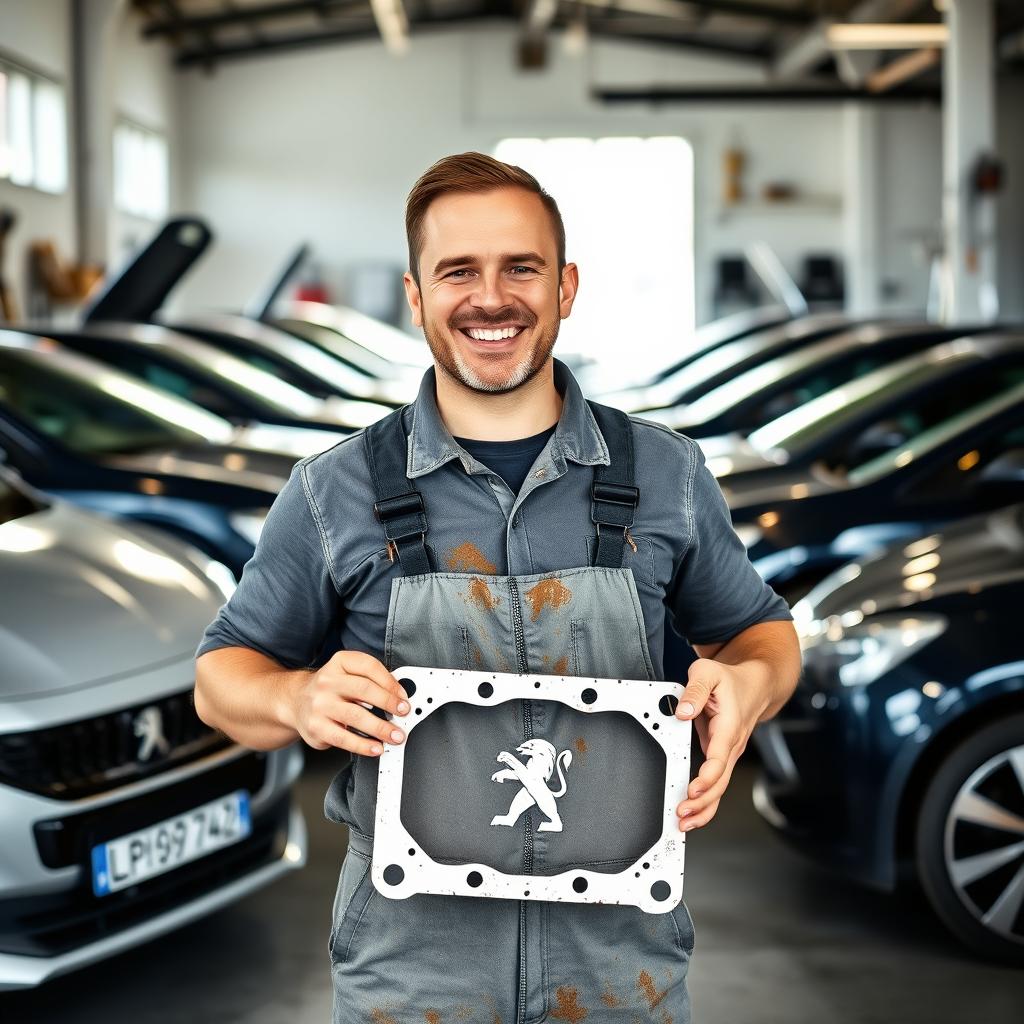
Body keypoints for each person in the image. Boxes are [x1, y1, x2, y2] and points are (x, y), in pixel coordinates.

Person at [194, 152, 801, 1023]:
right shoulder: (336, 491)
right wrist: (293, 697)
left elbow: (763, 633)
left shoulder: (663, 474)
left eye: (521, 267)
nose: (491, 298)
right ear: (416, 296)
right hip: (413, 979)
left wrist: (748, 682)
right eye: (458, 271)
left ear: (565, 286)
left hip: (620, 973)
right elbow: (222, 677)